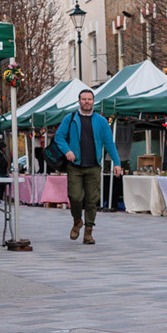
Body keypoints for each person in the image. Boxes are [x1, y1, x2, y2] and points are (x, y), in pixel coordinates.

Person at [54, 90, 119, 244]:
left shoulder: (101, 121)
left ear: (93, 101)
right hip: (75, 165)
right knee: (75, 197)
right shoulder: (70, 119)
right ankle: (77, 221)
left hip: (94, 166)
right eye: (84, 99)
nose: (87, 102)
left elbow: (109, 143)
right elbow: (59, 137)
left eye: (89, 99)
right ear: (79, 101)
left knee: (92, 200)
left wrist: (117, 163)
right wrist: (67, 150)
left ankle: (88, 231)